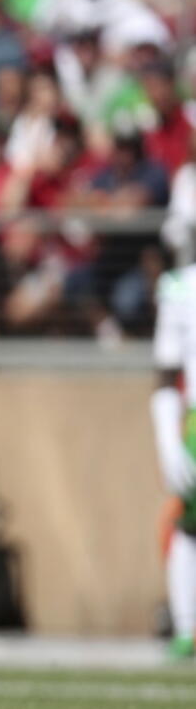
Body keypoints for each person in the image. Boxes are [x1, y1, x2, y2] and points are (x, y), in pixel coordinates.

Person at [150, 264, 196, 661]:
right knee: (187, 524)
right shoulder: (181, 287)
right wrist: (168, 439)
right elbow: (166, 373)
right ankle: (186, 628)